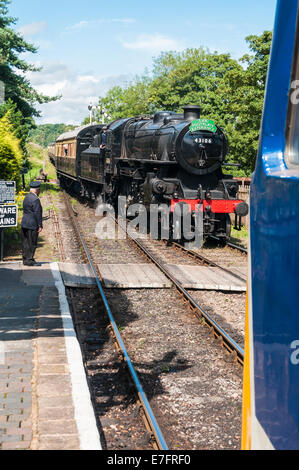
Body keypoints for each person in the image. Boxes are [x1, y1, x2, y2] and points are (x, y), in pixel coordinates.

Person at [21, 181, 43, 266]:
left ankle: (25, 259)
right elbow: (38, 213)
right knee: (32, 242)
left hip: (24, 222)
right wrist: (40, 225)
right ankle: (29, 260)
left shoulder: (26, 197)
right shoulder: (36, 199)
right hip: (32, 224)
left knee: (25, 242)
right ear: (37, 190)